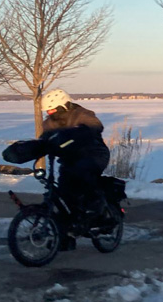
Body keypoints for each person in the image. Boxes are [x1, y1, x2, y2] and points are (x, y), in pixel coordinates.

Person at [40, 88, 111, 226]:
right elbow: (45, 140)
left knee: (82, 175)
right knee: (63, 186)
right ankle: (69, 226)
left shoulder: (81, 114)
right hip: (70, 158)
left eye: (52, 110)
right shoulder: (49, 123)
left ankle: (96, 207)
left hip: (94, 154)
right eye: (48, 111)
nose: (50, 114)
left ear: (63, 106)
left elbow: (96, 126)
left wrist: (78, 132)